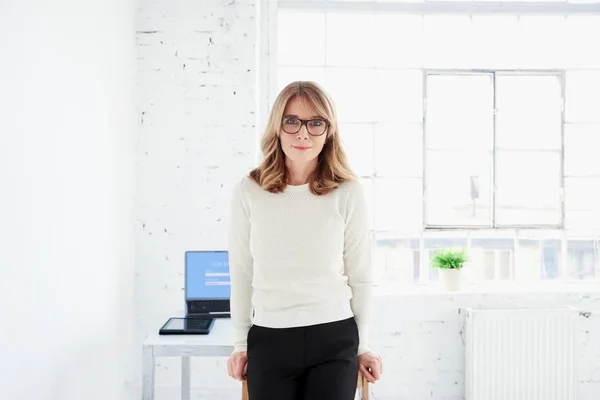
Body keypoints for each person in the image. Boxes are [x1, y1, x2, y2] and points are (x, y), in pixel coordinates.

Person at [226, 81, 382, 399]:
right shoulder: (249, 191)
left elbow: (361, 276)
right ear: (277, 127)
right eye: (292, 121)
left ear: (328, 132)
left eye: (315, 123)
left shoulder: (348, 192)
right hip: (269, 338)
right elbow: (241, 273)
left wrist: (363, 346)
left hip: (335, 338)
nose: (303, 134)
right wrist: (240, 343)